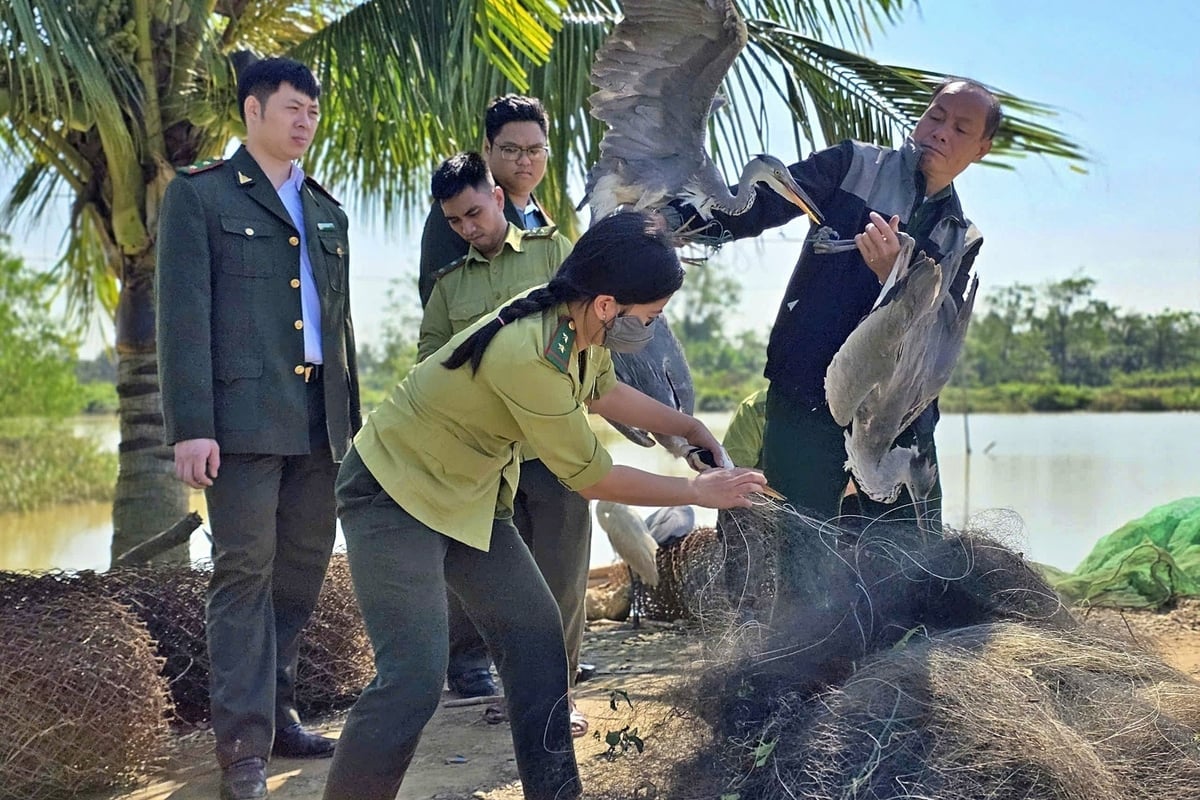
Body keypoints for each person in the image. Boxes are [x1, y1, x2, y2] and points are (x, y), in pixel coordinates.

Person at [321, 212, 767, 800]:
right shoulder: (528, 354)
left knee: (536, 643)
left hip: (469, 497)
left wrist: (688, 427)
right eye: (651, 317)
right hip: (392, 494)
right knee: (413, 678)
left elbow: (604, 392)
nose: (654, 328)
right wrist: (694, 492)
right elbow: (588, 474)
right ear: (608, 304)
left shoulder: (574, 325)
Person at [156, 57, 360, 800]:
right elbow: (182, 318)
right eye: (293, 108)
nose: (306, 120)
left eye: (313, 109)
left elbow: (340, 331)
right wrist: (191, 427)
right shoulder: (202, 197)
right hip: (240, 423)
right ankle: (242, 747)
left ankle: (279, 716)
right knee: (243, 576)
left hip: (320, 422)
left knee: (300, 574)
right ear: (252, 111)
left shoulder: (328, 209)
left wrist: (353, 426)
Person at [680, 78, 999, 527]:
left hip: (899, 420)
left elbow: (933, 343)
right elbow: (758, 204)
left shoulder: (961, 237)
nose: (941, 132)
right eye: (936, 117)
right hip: (805, 396)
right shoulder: (852, 164)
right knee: (803, 549)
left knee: (911, 561)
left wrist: (897, 279)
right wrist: (675, 222)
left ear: (982, 149)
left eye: (962, 129)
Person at [420, 152, 594, 734]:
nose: (468, 228)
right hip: (489, 462)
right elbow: (434, 366)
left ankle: (559, 697)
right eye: (455, 222)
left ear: (497, 195)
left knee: (563, 577)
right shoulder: (448, 288)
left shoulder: (554, 253)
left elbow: (586, 334)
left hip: (554, 449)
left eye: (474, 212)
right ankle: (523, 695)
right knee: (502, 588)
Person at [418, 94, 554, 307]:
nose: (525, 160)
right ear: (488, 148)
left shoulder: (546, 224)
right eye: (511, 150)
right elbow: (437, 300)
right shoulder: (458, 210)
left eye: (535, 150)